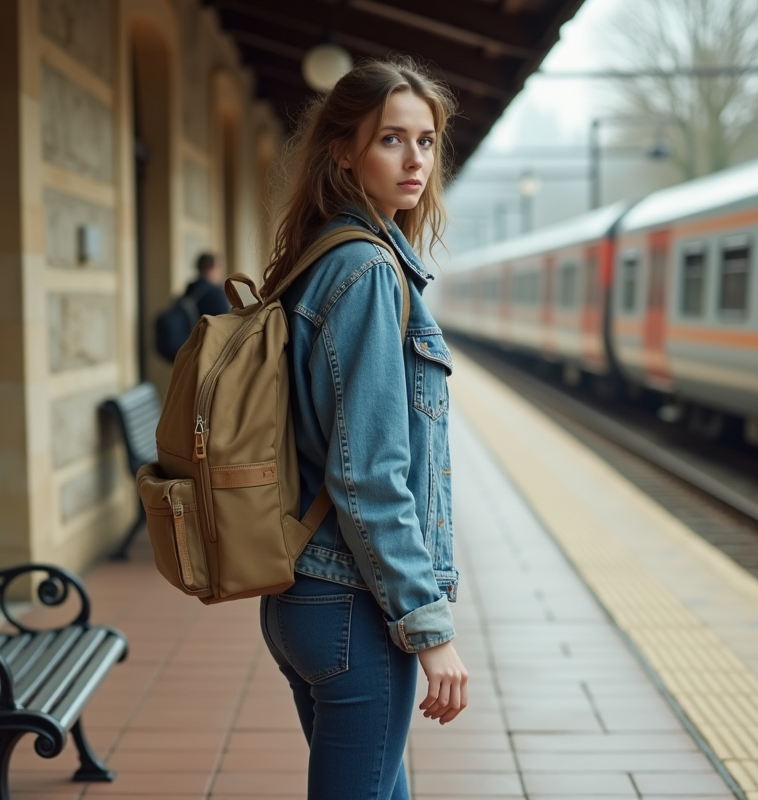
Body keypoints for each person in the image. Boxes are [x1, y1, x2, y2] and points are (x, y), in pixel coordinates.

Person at [258, 56, 467, 800]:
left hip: (306, 600)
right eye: (391, 139)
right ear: (343, 150)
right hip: (352, 607)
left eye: (428, 140)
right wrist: (429, 627)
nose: (416, 160)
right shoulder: (369, 273)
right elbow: (368, 474)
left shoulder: (317, 256)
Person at [154, 252, 231, 362]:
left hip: (186, 351)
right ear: (213, 268)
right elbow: (226, 327)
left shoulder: (188, 290)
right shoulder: (216, 293)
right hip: (206, 354)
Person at [183, 252, 231, 319]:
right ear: (209, 269)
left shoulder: (190, 288)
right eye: (219, 268)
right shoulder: (216, 293)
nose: (221, 274)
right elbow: (226, 320)